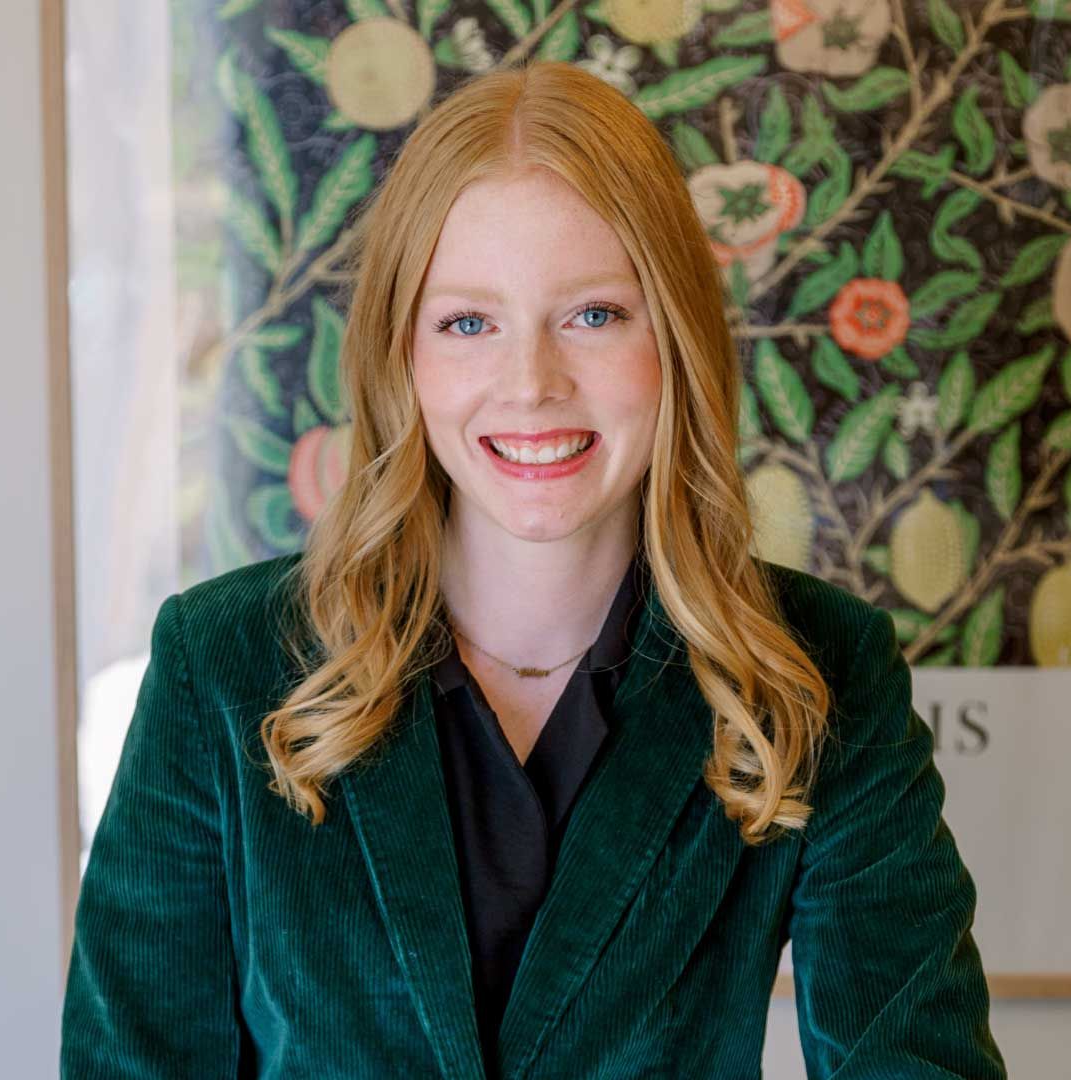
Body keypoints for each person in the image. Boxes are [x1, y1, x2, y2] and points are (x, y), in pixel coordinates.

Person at [60, 60, 1007, 1079]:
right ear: (402, 356)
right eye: (469, 323)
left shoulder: (821, 674)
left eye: (593, 314)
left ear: (675, 337)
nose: (532, 383)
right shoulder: (223, 664)